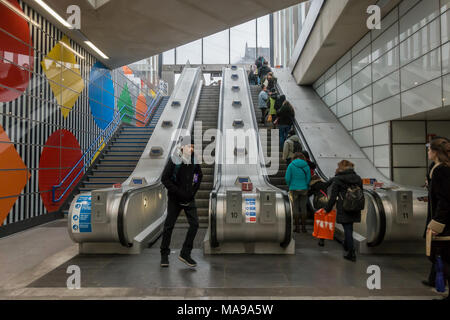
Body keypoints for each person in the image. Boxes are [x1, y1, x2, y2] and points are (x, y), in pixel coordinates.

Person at [160, 136, 203, 268]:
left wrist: (193, 191)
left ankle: (185, 253)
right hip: (175, 199)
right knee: (169, 226)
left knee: (195, 224)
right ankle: (164, 254)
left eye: (193, 147)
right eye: (189, 146)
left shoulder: (194, 160)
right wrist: (177, 192)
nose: (191, 149)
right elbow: (165, 179)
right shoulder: (175, 160)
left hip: (189, 198)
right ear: (182, 147)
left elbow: (198, 175)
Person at [422, 136, 450, 288]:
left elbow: (444, 200)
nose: (427, 152)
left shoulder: (441, 170)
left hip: (443, 224)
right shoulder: (437, 168)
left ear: (435, 152)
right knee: (441, 257)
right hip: (442, 221)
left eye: (429, 149)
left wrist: (436, 225)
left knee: (440, 257)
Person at [324, 160, 363, 262]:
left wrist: (327, 209)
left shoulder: (338, 179)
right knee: (349, 228)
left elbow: (333, 197)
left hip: (344, 207)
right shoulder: (358, 178)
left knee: (348, 230)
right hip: (355, 206)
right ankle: (346, 245)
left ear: (341, 168)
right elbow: (361, 192)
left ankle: (351, 252)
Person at [285, 152, 311, 233]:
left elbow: (287, 178)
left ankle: (297, 228)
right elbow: (308, 178)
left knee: (295, 208)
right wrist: (305, 185)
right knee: (303, 208)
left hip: (293, 188)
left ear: (294, 158)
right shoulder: (306, 165)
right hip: (304, 189)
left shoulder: (291, 165)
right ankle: (304, 228)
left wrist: (290, 185)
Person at [309, 175, 333, 247]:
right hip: (325, 203)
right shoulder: (324, 184)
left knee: (319, 219)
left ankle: (319, 235)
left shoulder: (313, 185)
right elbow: (329, 182)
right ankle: (322, 237)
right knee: (324, 220)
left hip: (318, 203)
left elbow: (309, 194)